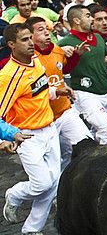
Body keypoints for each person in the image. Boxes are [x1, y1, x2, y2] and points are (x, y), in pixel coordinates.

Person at [0, 24, 60, 235]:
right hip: (27, 135)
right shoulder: (7, 77)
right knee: (42, 183)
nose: (30, 43)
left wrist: (56, 92)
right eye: (24, 40)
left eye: (30, 38)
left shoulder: (35, 61)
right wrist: (8, 136)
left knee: (53, 183)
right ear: (11, 45)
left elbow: (37, 92)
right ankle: (14, 195)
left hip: (49, 129)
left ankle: (31, 228)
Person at [28, 16, 92, 166]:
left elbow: (64, 70)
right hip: (44, 120)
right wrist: (56, 91)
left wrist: (76, 55)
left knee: (87, 145)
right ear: (30, 36)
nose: (46, 32)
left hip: (64, 111)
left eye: (46, 28)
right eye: (40, 29)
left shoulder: (56, 50)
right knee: (55, 161)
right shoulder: (29, 58)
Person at [59, 4, 107, 144]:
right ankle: (106, 163)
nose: (92, 19)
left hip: (106, 91)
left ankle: (88, 155)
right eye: (88, 16)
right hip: (85, 93)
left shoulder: (98, 37)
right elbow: (62, 69)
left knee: (104, 129)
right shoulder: (65, 43)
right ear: (77, 20)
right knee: (106, 129)